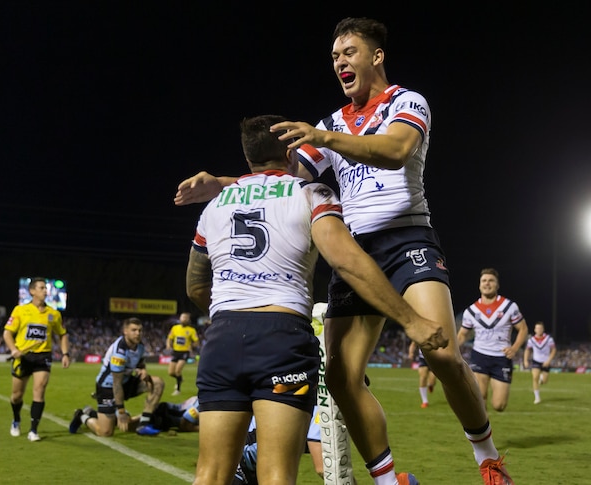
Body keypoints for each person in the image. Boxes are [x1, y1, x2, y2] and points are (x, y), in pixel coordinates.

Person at [174, 17, 515, 485]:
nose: (339, 62)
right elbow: (283, 183)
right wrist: (222, 182)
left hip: (406, 238)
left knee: (441, 353)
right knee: (339, 377)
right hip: (356, 251)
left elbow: (394, 150)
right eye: (334, 56)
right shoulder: (332, 123)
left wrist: (324, 139)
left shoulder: (406, 102)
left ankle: (488, 458)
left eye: (349, 52)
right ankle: (387, 479)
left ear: (376, 56)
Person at [184, 114, 446, 485]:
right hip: (281, 337)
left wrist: (235, 307)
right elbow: (348, 260)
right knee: (275, 474)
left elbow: (196, 286)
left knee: (209, 474)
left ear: (248, 160)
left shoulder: (214, 206)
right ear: (292, 153)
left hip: (222, 335)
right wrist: (411, 320)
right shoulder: (311, 194)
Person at [68, 317, 166, 437]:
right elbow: (116, 384)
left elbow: (139, 362)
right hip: (108, 387)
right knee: (106, 432)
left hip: (126, 382)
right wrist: (121, 411)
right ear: (125, 331)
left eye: (140, 330)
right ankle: (82, 415)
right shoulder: (119, 352)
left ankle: (143, 425)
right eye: (134, 330)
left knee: (157, 383)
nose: (138, 333)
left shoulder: (139, 345)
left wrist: (143, 369)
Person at [3, 276, 71, 442]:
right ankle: (16, 419)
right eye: (41, 288)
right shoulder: (20, 310)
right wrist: (14, 350)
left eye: (45, 288)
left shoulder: (53, 314)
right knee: (16, 395)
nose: (45, 290)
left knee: (39, 390)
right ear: (32, 291)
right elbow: (7, 333)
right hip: (23, 357)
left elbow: (62, 334)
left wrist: (65, 354)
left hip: (43, 357)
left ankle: (34, 430)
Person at [458, 268, 529, 412]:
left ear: (497, 285)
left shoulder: (509, 306)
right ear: (479, 285)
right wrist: (451, 350)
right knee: (479, 398)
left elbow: (523, 329)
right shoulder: (471, 311)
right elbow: (463, 335)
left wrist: (514, 348)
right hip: (479, 356)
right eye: (484, 281)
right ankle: (484, 433)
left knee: (499, 405)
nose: (487, 283)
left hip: (501, 358)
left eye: (491, 280)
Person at [166, 311, 199, 396]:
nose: (183, 319)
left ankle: (178, 390)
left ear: (188, 320)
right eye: (182, 317)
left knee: (177, 371)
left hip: (184, 352)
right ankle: (180, 378)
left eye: (185, 318)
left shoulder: (191, 330)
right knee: (171, 372)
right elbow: (169, 338)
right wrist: (168, 344)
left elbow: (196, 342)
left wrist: (192, 346)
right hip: (175, 351)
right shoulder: (175, 328)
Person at [522, 321, 556, 405]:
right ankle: (537, 398)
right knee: (535, 377)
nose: (539, 330)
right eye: (537, 328)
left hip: (546, 361)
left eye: (540, 328)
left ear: (543, 329)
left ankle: (542, 379)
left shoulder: (549, 339)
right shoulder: (531, 340)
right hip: (536, 361)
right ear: (534, 329)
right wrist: (525, 360)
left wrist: (549, 360)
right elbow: (527, 350)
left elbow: (554, 350)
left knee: (544, 380)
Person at [407, 340, 437, 408]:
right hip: (422, 359)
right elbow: (413, 344)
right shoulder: (420, 332)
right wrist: (411, 353)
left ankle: (430, 385)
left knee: (432, 381)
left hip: (434, 359)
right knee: (423, 377)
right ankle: (425, 401)